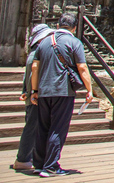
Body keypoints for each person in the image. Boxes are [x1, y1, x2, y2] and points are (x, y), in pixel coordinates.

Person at [30, 13, 94, 178]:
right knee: (57, 128)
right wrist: (89, 89)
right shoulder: (74, 42)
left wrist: (34, 91)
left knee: (43, 127)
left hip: (43, 90)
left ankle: (38, 163)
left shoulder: (43, 42)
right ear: (74, 28)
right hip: (63, 91)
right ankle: (50, 166)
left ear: (58, 26)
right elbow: (82, 68)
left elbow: (35, 68)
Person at [12, 24, 53, 171]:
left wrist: (25, 91)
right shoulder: (37, 54)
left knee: (33, 127)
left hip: (32, 95)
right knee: (32, 128)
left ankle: (28, 158)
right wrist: (33, 92)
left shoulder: (34, 54)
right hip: (35, 97)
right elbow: (33, 74)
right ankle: (23, 159)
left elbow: (27, 76)